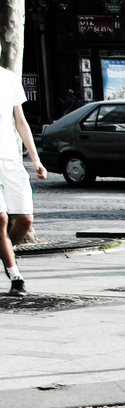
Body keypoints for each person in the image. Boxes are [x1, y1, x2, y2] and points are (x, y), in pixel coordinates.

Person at [0, 65, 46, 296]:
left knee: (25, 219)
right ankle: (16, 276)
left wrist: (35, 159)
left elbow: (20, 121)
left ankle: (4, 250)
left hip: (11, 158)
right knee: (0, 218)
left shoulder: (9, 79)